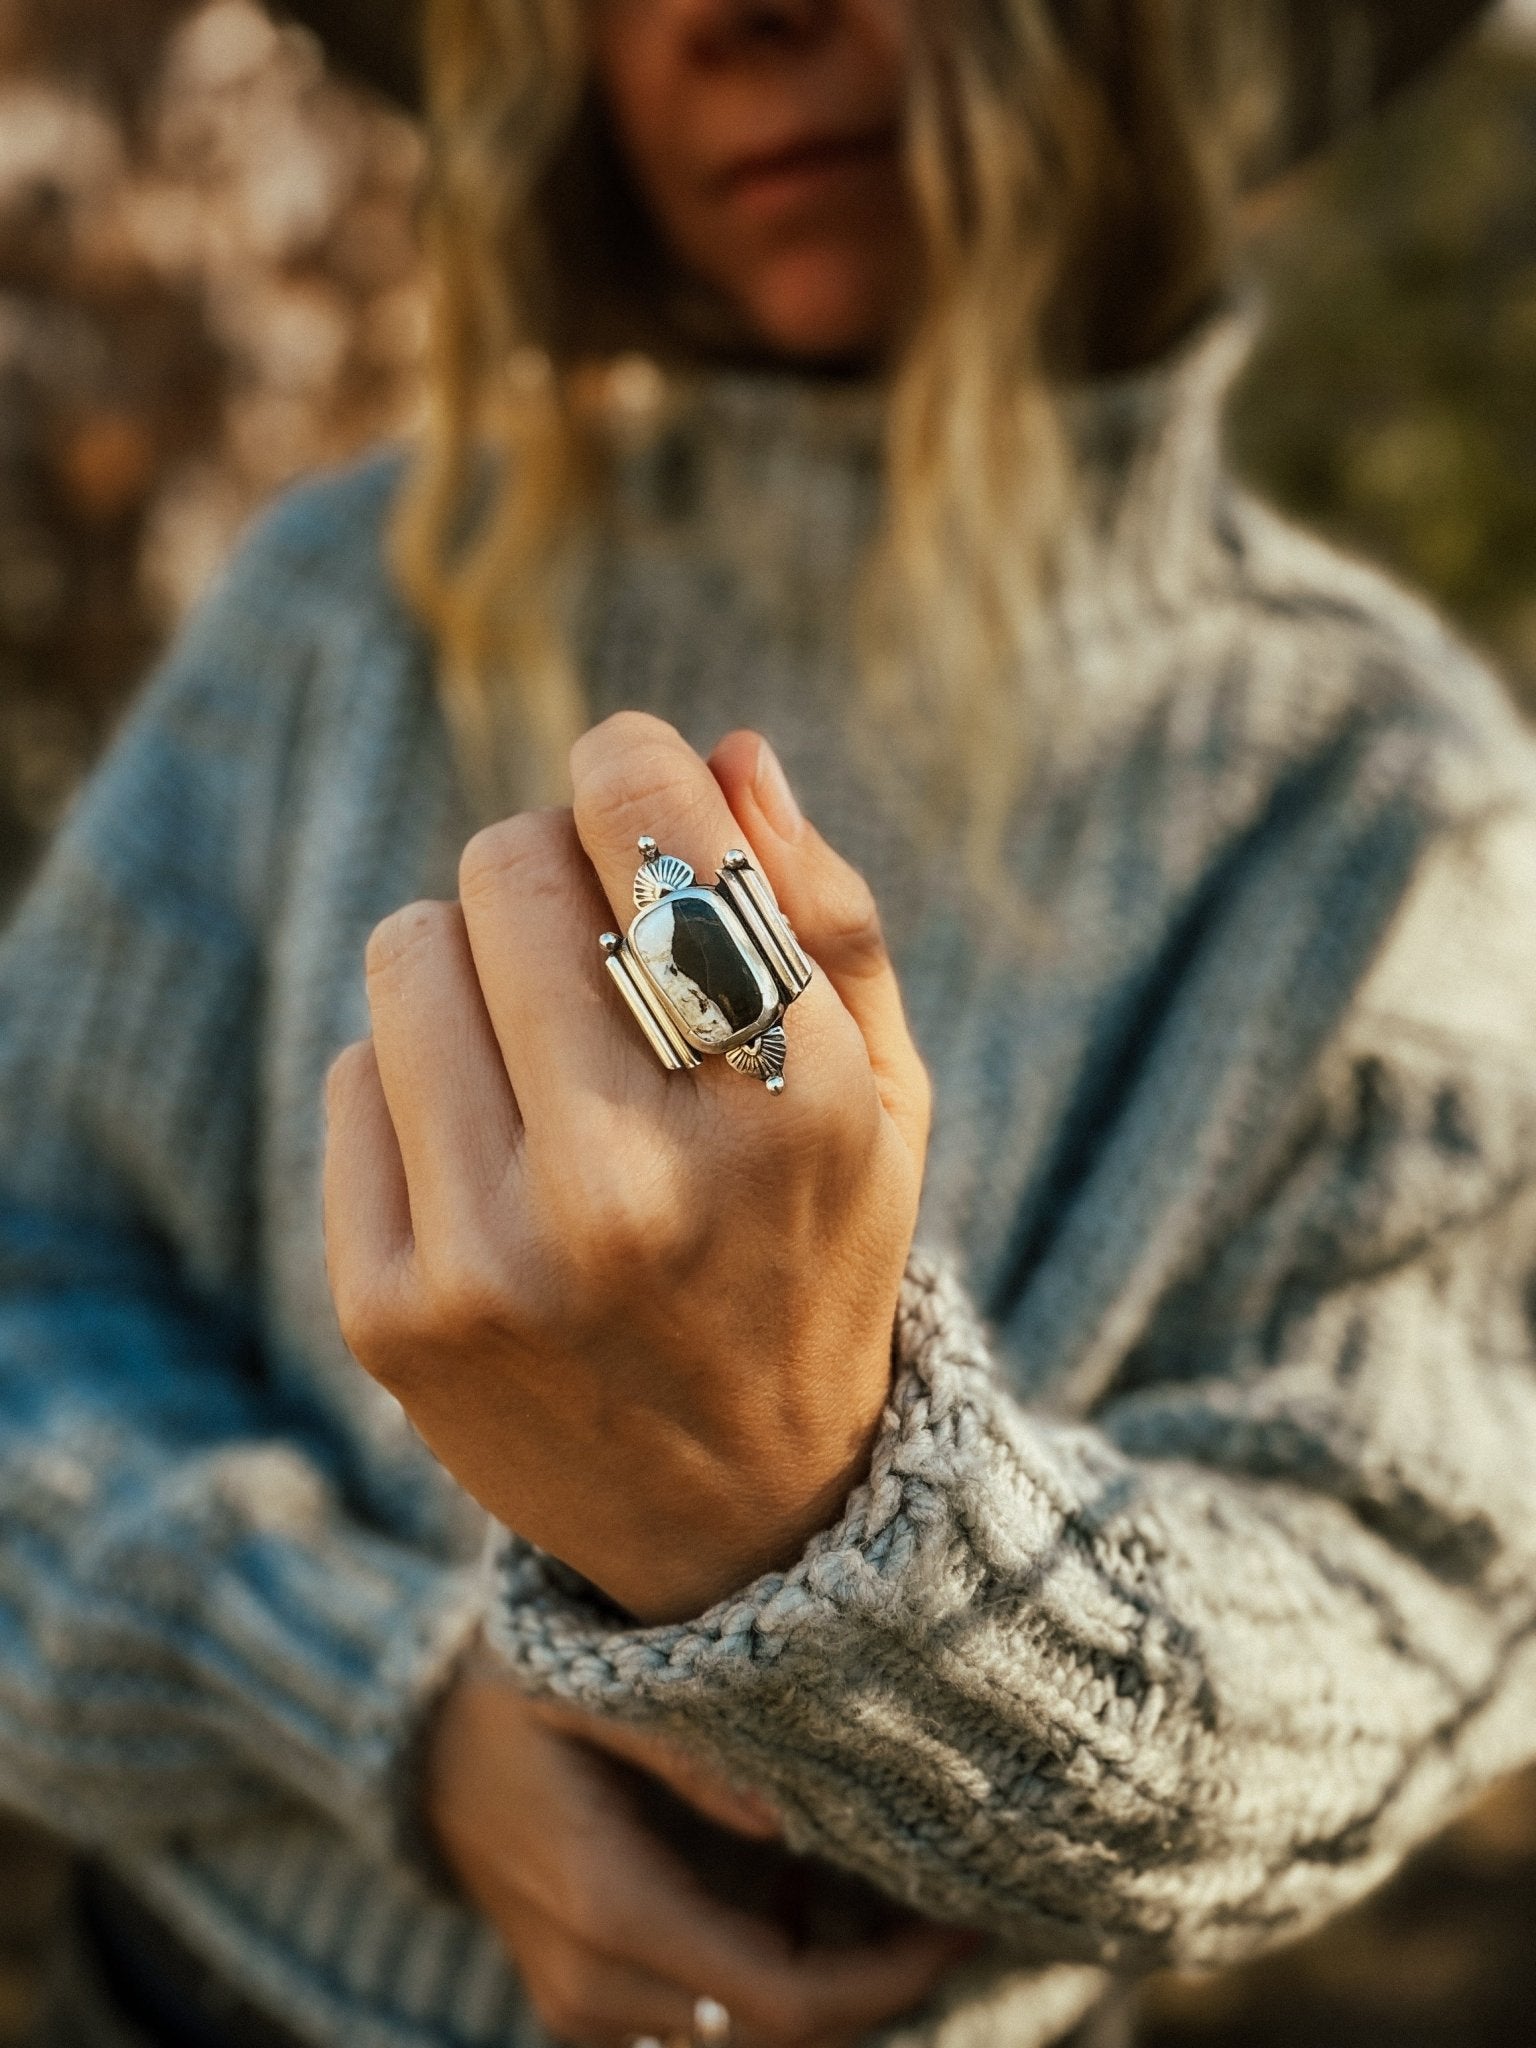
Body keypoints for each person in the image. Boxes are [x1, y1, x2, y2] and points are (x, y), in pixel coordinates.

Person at [1, 2, 1531, 2047]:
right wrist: (396, 1712)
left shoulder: (1381, 802)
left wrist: (818, 1511)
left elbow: (1406, 1597)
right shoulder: (345, 615)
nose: (738, 19)